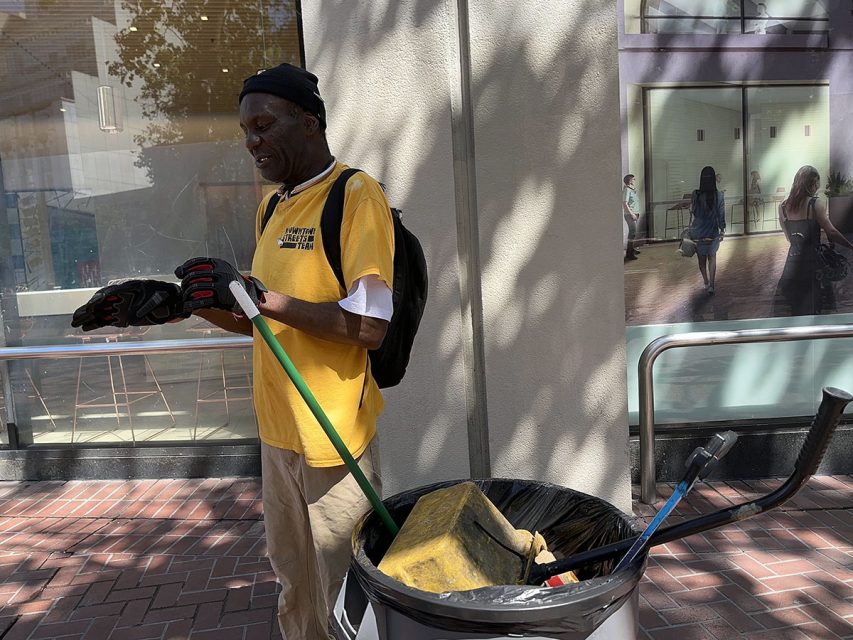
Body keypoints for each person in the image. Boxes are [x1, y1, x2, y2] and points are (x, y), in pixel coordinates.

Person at [71, 63, 395, 640]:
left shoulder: (353, 195)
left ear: (310, 123)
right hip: (278, 436)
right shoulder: (272, 207)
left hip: (333, 440)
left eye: (265, 126)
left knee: (346, 597)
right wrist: (180, 304)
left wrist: (261, 296)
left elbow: (369, 326)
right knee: (295, 587)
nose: (253, 142)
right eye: (246, 131)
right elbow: (258, 323)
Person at [774, 165, 853, 316]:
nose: (818, 186)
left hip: (793, 264)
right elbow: (830, 231)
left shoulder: (783, 207)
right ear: (810, 184)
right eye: (816, 183)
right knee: (817, 306)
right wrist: (849, 245)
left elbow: (788, 237)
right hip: (813, 263)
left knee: (794, 307)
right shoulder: (815, 204)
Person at [689, 166, 726, 294]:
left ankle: (705, 281)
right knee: (712, 258)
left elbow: (693, 212)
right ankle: (712, 285)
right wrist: (722, 230)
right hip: (712, 230)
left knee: (701, 260)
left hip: (698, 231)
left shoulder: (696, 194)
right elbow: (721, 215)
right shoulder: (719, 195)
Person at [622, 174, 640, 260]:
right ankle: (629, 254)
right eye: (633, 179)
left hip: (634, 214)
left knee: (633, 233)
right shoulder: (627, 190)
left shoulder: (632, 190)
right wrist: (632, 214)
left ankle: (631, 249)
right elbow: (625, 204)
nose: (634, 181)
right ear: (629, 181)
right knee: (632, 233)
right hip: (630, 215)